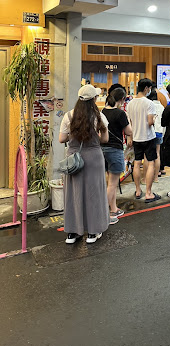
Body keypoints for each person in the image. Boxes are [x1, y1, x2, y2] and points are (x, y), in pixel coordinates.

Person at [59, 85, 111, 244]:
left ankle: (73, 232)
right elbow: (105, 139)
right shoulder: (99, 117)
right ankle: (93, 232)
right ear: (94, 99)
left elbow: (62, 139)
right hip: (94, 158)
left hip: (74, 159)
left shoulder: (68, 116)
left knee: (73, 194)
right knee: (94, 194)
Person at [126, 78, 161, 203]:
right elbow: (150, 122)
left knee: (136, 163)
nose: (150, 91)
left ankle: (137, 191)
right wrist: (155, 118)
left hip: (136, 137)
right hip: (148, 137)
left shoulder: (130, 103)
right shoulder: (149, 103)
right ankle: (148, 193)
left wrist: (130, 137)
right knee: (150, 163)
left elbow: (130, 123)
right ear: (146, 88)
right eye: (149, 88)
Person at [101, 87, 132, 218]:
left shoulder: (103, 111)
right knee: (113, 184)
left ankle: (113, 208)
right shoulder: (120, 114)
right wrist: (128, 119)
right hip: (115, 149)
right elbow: (129, 131)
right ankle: (104, 213)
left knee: (110, 182)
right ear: (122, 99)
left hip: (102, 149)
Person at [145, 88, 166, 180]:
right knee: (157, 154)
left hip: (150, 132)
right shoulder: (162, 107)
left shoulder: (149, 106)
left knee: (148, 155)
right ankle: (156, 177)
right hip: (159, 132)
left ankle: (146, 177)